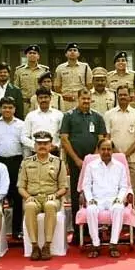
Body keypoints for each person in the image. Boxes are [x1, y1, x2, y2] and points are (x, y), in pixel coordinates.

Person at [60, 89, 106, 240]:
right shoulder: (68, 116)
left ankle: (95, 228)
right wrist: (77, 160)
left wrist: (91, 160)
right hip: (76, 163)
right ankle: (77, 228)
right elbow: (64, 139)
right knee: (76, 194)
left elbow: (101, 139)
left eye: (88, 99)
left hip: (94, 164)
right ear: (77, 99)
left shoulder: (98, 117)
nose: (86, 101)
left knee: (95, 192)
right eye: (83, 99)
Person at [19, 131, 69, 261]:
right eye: (39, 143)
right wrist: (27, 196)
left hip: (51, 197)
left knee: (50, 205)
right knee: (29, 206)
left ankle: (47, 245)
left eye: (45, 143)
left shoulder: (58, 162)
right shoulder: (26, 162)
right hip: (33, 197)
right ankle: (35, 246)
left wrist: (55, 195)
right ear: (34, 146)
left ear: (50, 145)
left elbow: (64, 187)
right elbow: (21, 187)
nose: (42, 146)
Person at [80, 138, 131, 258]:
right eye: (103, 149)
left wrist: (119, 198)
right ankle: (95, 244)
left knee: (118, 208)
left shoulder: (120, 166)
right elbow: (86, 185)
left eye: (109, 149)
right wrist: (90, 198)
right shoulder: (91, 166)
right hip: (97, 199)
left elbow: (124, 186)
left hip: (114, 199)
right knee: (91, 209)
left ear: (113, 150)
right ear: (98, 150)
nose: (106, 151)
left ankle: (113, 243)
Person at [0, 96, 27, 239]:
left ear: (14, 109)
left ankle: (16, 230)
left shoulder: (21, 124)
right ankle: (0, 230)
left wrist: (24, 163)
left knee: (17, 196)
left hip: (17, 162)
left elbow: (24, 146)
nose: (7, 110)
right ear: (0, 109)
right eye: (4, 107)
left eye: (10, 107)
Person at [103, 85, 135, 203]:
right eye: (120, 95)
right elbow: (107, 137)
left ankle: (133, 216)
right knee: (114, 188)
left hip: (132, 158)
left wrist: (126, 154)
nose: (122, 97)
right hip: (113, 157)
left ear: (130, 97)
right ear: (117, 96)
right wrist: (117, 154)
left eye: (125, 94)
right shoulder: (109, 114)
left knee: (132, 188)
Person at [22, 88, 63, 155]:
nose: (43, 100)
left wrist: (56, 146)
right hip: (35, 153)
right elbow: (24, 137)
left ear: (50, 98)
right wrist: (36, 145)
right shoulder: (30, 115)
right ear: (37, 99)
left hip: (53, 152)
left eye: (46, 97)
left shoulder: (59, 114)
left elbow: (63, 135)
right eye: (40, 98)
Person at [13, 44, 49, 115]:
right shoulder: (19, 70)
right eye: (30, 53)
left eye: (34, 53)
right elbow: (16, 88)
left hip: (39, 102)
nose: (32, 54)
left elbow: (47, 88)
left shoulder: (44, 70)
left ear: (38, 56)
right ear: (26, 55)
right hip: (25, 103)